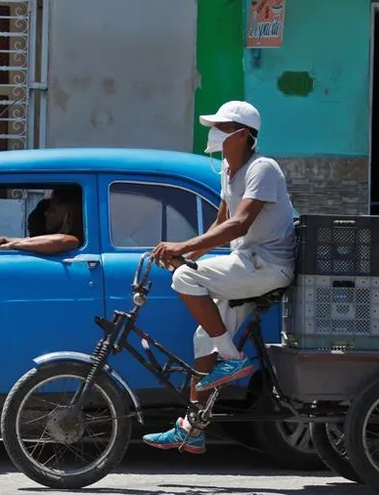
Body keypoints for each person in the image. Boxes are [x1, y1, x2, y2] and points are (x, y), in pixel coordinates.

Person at [141, 100, 296, 454]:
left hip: (269, 265)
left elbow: (238, 224)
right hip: (247, 263)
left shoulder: (263, 169)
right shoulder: (228, 170)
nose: (214, 134)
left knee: (184, 280)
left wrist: (182, 249)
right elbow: (219, 222)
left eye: (222, 128)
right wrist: (188, 254)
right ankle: (191, 428)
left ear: (243, 135)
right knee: (202, 339)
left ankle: (234, 360)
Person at [0, 186, 84, 255]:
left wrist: (12, 245)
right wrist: (8, 240)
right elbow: (34, 240)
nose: (46, 213)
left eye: (53, 210)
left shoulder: (74, 241)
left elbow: (64, 241)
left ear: (68, 216)